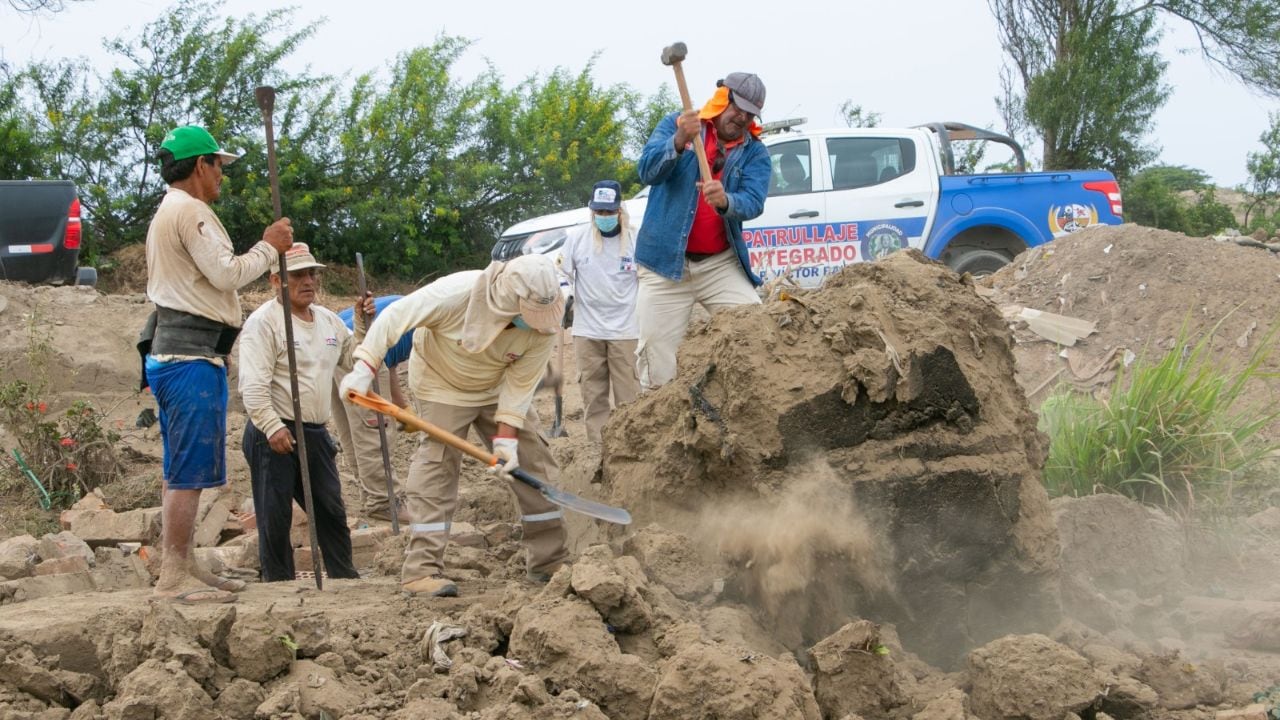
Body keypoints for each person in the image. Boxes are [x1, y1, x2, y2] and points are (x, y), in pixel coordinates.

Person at [338, 254, 570, 598]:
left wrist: (506, 441)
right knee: (437, 468)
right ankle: (422, 571)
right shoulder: (456, 294)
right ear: (508, 300)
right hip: (441, 383)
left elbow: (521, 384)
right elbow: (394, 318)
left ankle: (549, 561)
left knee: (534, 463)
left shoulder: (547, 318)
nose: (537, 323)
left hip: (498, 387)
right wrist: (364, 368)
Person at [139, 124, 293, 604]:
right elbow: (227, 273)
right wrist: (270, 246)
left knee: (181, 467)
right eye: (219, 167)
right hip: (188, 358)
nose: (222, 176)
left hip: (181, 353)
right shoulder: (191, 211)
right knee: (188, 470)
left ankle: (180, 562)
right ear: (200, 165)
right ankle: (173, 574)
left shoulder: (172, 211)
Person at [237, 243, 366, 582]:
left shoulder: (328, 321)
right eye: (298, 275)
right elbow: (252, 386)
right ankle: (278, 583)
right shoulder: (264, 324)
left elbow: (355, 357)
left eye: (312, 273)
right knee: (274, 515)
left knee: (331, 510)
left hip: (314, 431)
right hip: (275, 430)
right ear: (276, 280)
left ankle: (343, 576)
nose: (308, 281)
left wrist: (365, 324)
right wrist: (271, 426)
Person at [634, 72, 771, 388]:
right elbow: (646, 171)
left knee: (758, 331)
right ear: (723, 98)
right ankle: (661, 426)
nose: (742, 118)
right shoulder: (676, 124)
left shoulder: (754, 152)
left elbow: (753, 201)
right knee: (656, 362)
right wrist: (679, 140)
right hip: (665, 265)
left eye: (750, 114)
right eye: (739, 109)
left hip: (719, 265)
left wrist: (726, 201)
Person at [558, 180, 640, 442]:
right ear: (592, 211)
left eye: (609, 212)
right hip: (587, 330)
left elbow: (649, 280)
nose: (604, 217)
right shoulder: (577, 239)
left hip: (626, 329)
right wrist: (566, 295)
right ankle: (598, 448)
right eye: (599, 212)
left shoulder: (635, 240)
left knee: (630, 396)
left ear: (620, 210)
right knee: (593, 396)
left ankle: (631, 446)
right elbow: (560, 272)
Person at [332, 295, 414, 523]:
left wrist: (403, 407)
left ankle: (371, 495)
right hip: (359, 353)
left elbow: (391, 363)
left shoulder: (407, 305)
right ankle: (384, 503)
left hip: (338, 347)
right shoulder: (426, 328)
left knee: (353, 430)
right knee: (375, 431)